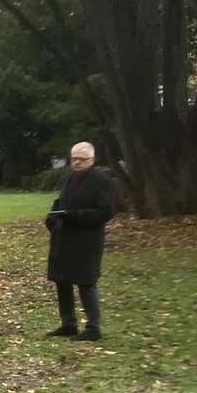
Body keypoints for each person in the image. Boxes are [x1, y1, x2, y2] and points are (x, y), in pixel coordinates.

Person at [45, 142, 116, 341]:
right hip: (63, 238)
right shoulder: (66, 179)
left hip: (86, 239)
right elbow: (60, 203)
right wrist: (52, 218)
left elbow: (106, 211)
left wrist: (75, 215)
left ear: (91, 160)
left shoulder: (101, 181)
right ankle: (68, 323)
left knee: (86, 283)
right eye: (74, 158)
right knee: (62, 281)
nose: (77, 162)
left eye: (81, 159)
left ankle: (93, 327)